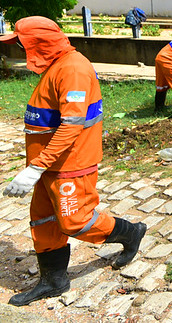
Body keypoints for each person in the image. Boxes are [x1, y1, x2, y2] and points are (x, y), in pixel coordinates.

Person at [0, 17, 147, 306]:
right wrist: (38, 166)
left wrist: (37, 166)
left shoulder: (74, 70)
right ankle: (54, 280)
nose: (18, 50)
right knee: (43, 221)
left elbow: (71, 125)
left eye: (21, 44)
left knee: (74, 220)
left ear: (38, 44)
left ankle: (131, 232)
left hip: (70, 163)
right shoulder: (57, 65)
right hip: (47, 164)